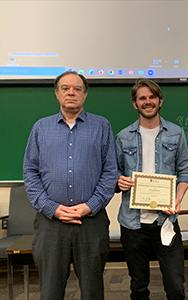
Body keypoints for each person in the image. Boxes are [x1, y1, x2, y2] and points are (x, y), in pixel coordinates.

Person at [23, 71, 118, 300]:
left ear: (85, 94)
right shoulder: (40, 128)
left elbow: (110, 172)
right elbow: (30, 172)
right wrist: (51, 208)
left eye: (77, 89)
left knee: (92, 291)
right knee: (50, 292)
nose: (71, 93)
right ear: (57, 94)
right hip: (51, 224)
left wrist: (90, 206)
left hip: (91, 222)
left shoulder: (101, 126)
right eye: (65, 88)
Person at [115, 79, 188, 300]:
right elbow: (113, 175)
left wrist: (177, 201)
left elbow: (186, 172)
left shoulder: (176, 134)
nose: (147, 102)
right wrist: (119, 181)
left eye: (152, 97)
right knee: (138, 286)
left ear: (160, 101)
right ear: (135, 103)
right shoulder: (123, 137)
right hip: (132, 224)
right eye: (142, 98)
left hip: (166, 222)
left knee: (175, 286)